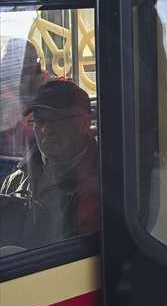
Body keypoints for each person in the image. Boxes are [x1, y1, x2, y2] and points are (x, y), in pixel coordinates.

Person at [0, 80, 99, 249]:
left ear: (84, 123)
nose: (46, 129)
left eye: (57, 119)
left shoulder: (103, 185)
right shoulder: (16, 178)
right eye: (39, 121)